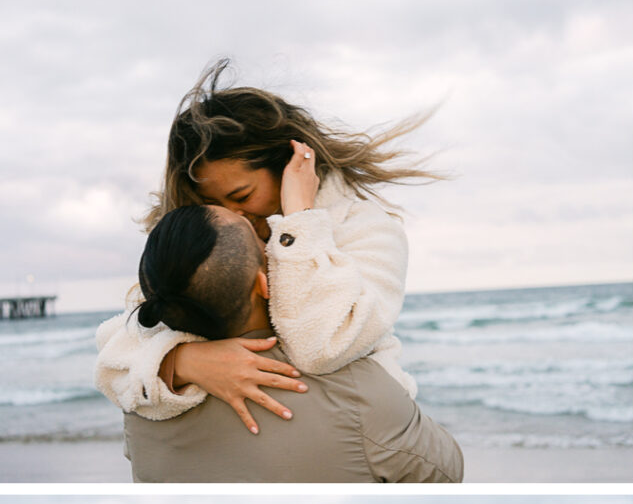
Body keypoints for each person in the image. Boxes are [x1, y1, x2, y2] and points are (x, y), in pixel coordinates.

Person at [95, 59, 442, 436]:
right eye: (211, 203)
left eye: (241, 195)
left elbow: (323, 344)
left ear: (288, 164)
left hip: (349, 433)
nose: (232, 217)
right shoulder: (209, 242)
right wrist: (184, 361)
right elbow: (115, 355)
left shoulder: (365, 229)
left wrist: (298, 222)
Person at [121, 204, 463, 482]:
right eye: (262, 239)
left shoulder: (139, 401)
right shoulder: (356, 390)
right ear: (262, 283)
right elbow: (447, 472)